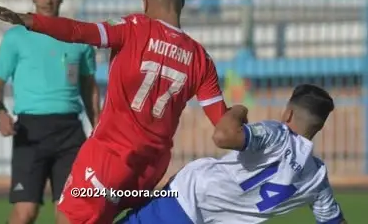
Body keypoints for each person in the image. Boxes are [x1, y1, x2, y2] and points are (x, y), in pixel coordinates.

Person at [0, 0, 247, 224]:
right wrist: (241, 113)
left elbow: (78, 31)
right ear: (183, 2)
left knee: (67, 218)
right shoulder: (201, 59)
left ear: (144, 1)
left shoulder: (132, 27)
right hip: (151, 168)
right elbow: (224, 127)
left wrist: (27, 20)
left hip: (111, 155)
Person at [117, 84, 347, 224]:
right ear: (319, 127)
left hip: (185, 200)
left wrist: (239, 110)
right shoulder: (317, 177)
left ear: (288, 113)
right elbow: (333, 221)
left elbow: (223, 136)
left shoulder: (277, 133)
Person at [0, 0, 100, 224]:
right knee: (25, 212)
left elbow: (89, 87)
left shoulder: (78, 36)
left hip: (70, 132)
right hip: (31, 131)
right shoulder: (16, 37)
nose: (48, 0)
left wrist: (99, 127)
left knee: (70, 214)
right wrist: (0, 112)